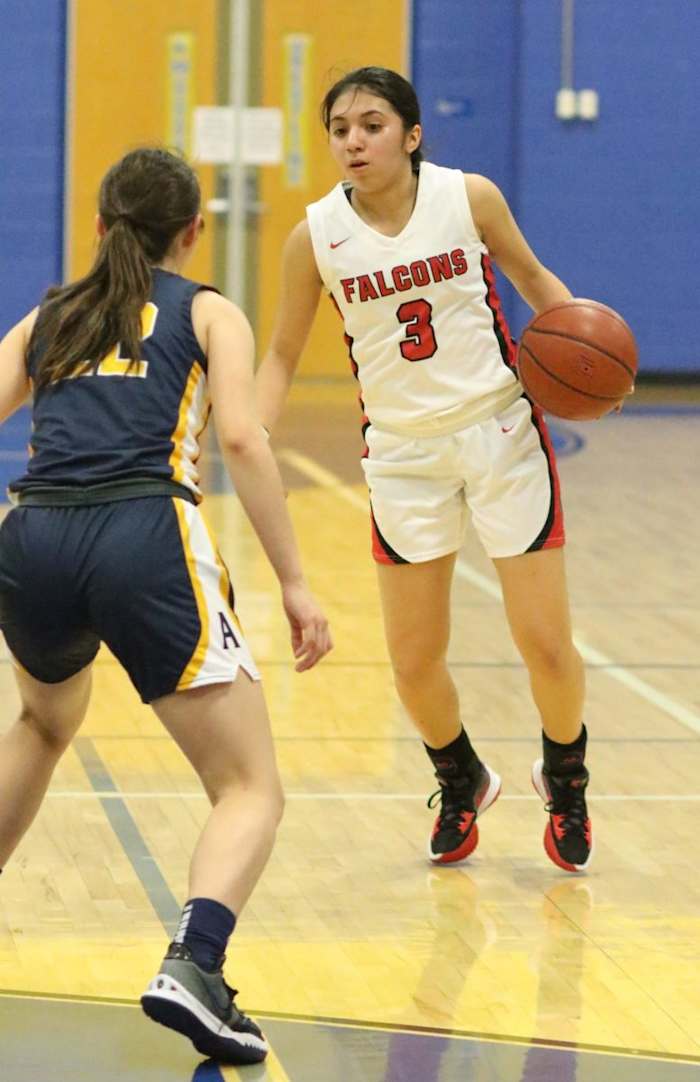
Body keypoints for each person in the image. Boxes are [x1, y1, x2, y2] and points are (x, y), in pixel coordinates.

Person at [0, 147, 332, 1065]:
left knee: (44, 714)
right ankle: (195, 963)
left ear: (100, 226)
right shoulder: (207, 310)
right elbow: (240, 436)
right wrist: (295, 582)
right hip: (143, 534)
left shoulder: (51, 314)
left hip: (33, 537)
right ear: (193, 232)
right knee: (248, 785)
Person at [255, 67, 592, 874]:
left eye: (371, 124)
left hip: (499, 432)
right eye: (339, 128)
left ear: (410, 136)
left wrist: (588, 352)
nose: (353, 140)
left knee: (544, 643)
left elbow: (535, 280)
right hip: (403, 455)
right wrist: (249, 432)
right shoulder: (315, 239)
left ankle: (568, 777)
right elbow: (281, 353)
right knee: (412, 662)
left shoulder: (467, 198)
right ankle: (460, 776)